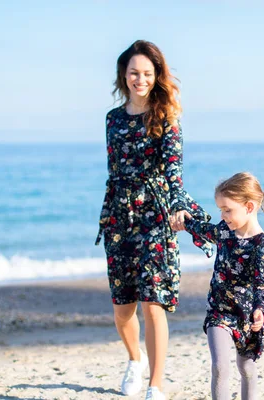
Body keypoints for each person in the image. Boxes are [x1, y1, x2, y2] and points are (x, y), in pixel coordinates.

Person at [95, 40, 209, 400]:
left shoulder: (167, 117)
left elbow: (174, 171)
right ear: (124, 75)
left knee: (152, 301)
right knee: (122, 308)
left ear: (156, 75)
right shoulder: (112, 120)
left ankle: (155, 385)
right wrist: (110, 215)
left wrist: (179, 206)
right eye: (134, 73)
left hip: (156, 216)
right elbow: (115, 172)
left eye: (147, 73)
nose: (140, 79)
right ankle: (134, 359)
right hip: (119, 218)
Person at [177, 172, 264, 400]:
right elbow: (203, 229)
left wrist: (260, 309)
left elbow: (262, 284)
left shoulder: (261, 245)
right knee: (220, 367)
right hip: (219, 311)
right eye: (220, 209)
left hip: (248, 316)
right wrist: (184, 221)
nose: (223, 215)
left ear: (249, 207)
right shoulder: (225, 231)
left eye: (227, 210)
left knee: (246, 369)